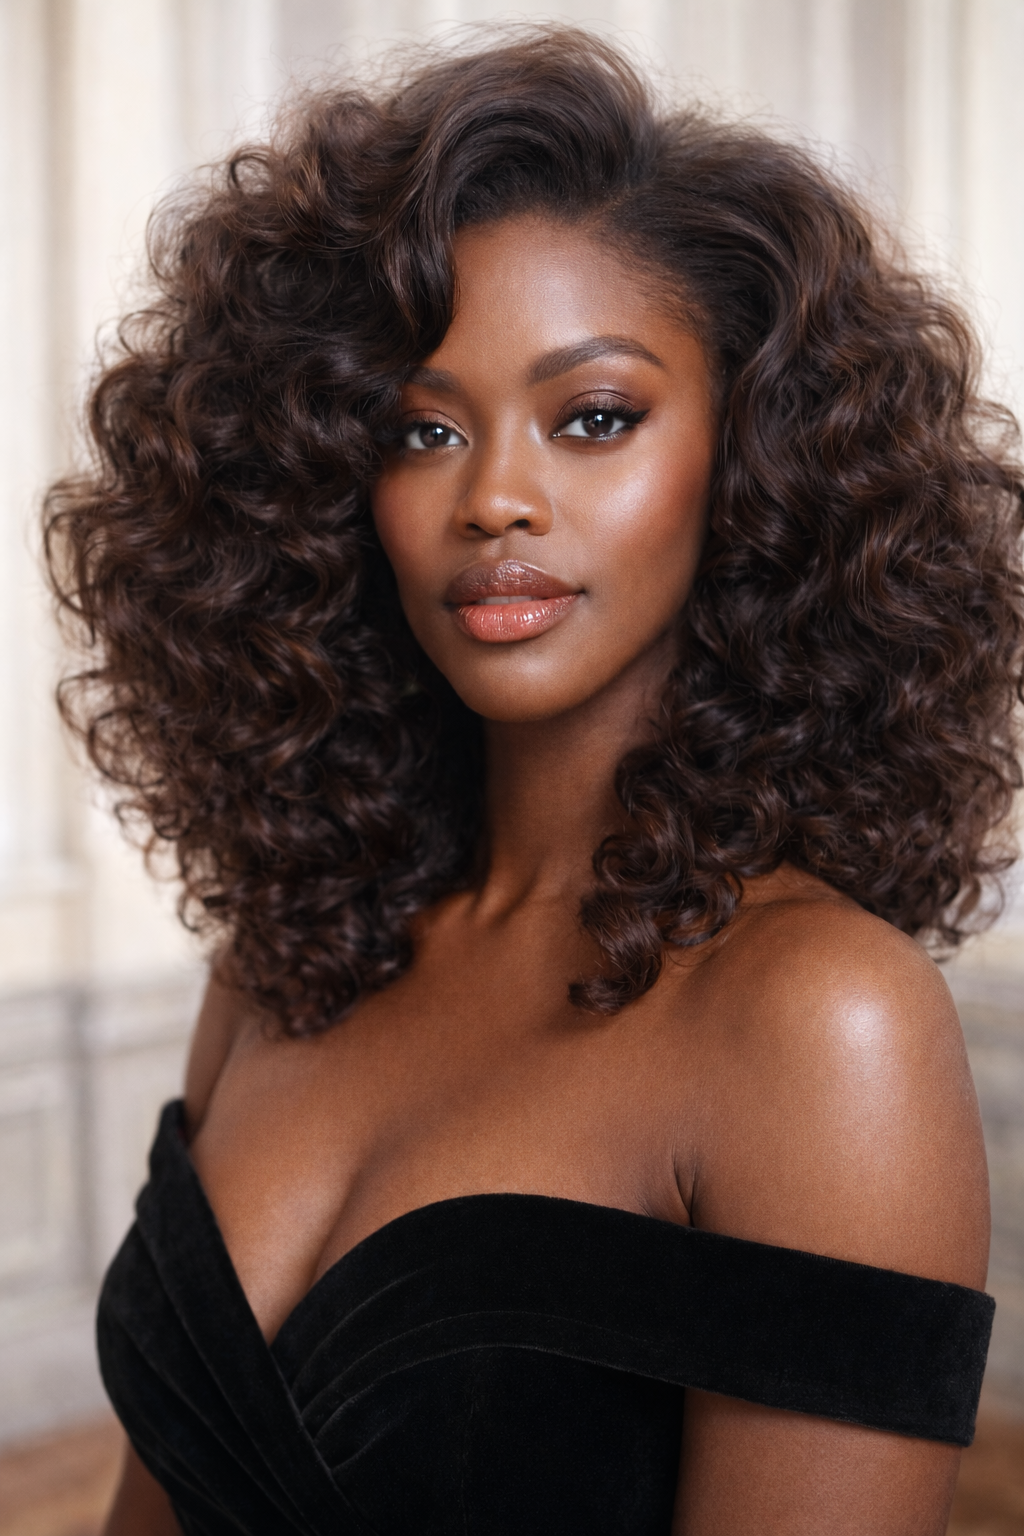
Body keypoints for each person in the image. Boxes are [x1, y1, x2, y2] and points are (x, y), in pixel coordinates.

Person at [44, 26, 1023, 1536]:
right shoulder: (293, 950)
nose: (495, 495)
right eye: (422, 429)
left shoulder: (822, 1021)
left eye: (596, 417)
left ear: (760, 459)